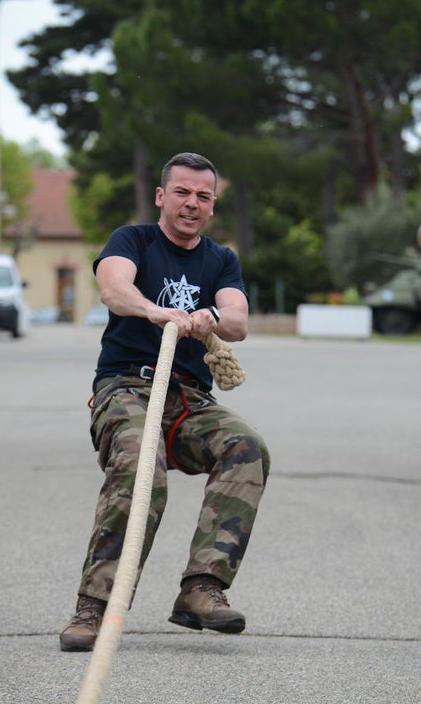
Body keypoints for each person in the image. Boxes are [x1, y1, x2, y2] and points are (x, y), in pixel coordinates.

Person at [60, 152, 270, 652]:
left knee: (248, 447)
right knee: (140, 464)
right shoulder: (131, 240)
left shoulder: (221, 260)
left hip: (189, 398)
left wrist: (209, 318)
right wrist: (158, 313)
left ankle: (202, 589)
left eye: (202, 196)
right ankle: (94, 607)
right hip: (126, 388)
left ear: (212, 206)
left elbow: (238, 320)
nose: (191, 204)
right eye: (181, 192)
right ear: (161, 196)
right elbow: (113, 288)